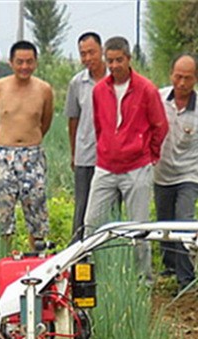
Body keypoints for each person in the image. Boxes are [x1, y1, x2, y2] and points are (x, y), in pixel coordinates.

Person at [83, 36, 168, 285]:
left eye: (119, 60)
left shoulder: (146, 89)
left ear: (129, 59)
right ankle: (89, 277)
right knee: (91, 223)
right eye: (110, 60)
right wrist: (105, 149)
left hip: (137, 167)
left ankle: (143, 279)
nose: (114, 65)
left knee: (138, 227)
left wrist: (149, 154)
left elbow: (159, 125)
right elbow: (99, 125)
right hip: (106, 166)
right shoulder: (99, 90)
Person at [154, 53, 198, 291]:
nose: (182, 83)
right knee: (164, 221)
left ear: (196, 79)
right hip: (161, 172)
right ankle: (170, 265)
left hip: (189, 175)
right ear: (171, 74)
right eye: (178, 77)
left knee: (183, 221)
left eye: (187, 78)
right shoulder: (159, 98)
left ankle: (186, 278)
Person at [0, 41, 54, 248]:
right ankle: (2, 259)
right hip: (4, 156)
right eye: (20, 62)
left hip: (33, 156)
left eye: (29, 62)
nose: (24, 67)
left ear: (35, 63)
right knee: (1, 214)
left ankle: (38, 260)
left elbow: (45, 122)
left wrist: (28, 141)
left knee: (36, 212)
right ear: (11, 63)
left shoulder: (44, 89)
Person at [65, 32, 107, 241]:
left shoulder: (115, 79)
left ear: (101, 51)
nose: (88, 58)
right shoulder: (77, 83)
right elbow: (73, 120)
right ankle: (78, 254)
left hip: (112, 158)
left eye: (92, 52)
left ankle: (105, 253)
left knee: (109, 208)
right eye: (83, 54)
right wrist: (74, 154)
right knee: (82, 206)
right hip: (86, 154)